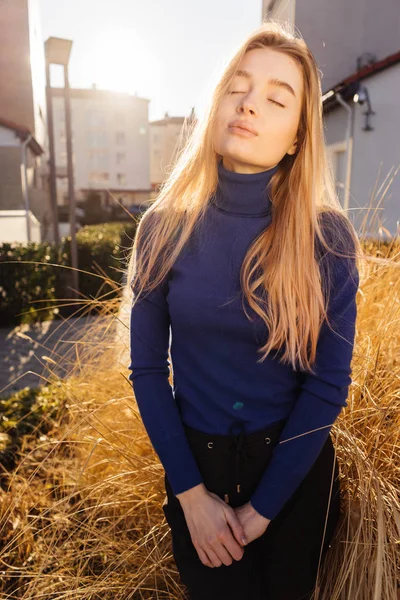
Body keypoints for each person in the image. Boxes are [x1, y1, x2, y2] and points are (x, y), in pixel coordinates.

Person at [126, 19, 361, 600]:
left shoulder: (328, 239)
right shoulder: (163, 229)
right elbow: (149, 372)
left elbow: (328, 385)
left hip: (294, 476)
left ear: (297, 137)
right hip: (194, 475)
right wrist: (190, 497)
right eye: (239, 85)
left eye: (276, 98)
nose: (250, 104)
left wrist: (263, 509)